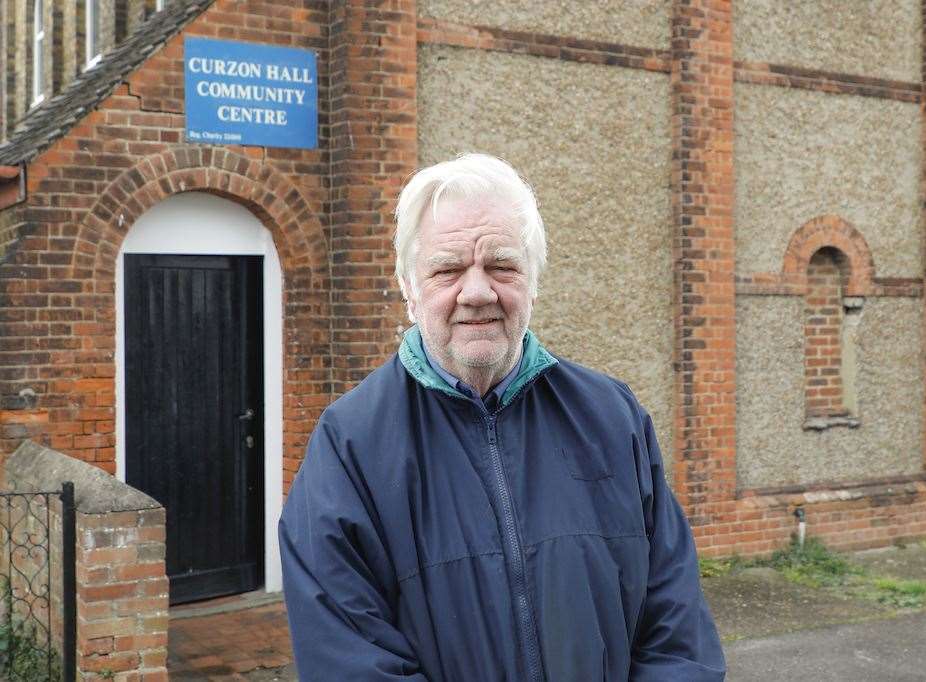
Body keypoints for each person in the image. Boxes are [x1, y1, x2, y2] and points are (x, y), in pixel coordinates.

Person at [279, 153, 726, 681]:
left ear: (532, 281)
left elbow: (676, 631)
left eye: (502, 266)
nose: (477, 292)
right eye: (447, 269)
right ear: (408, 287)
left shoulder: (611, 417)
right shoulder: (350, 445)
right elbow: (348, 661)